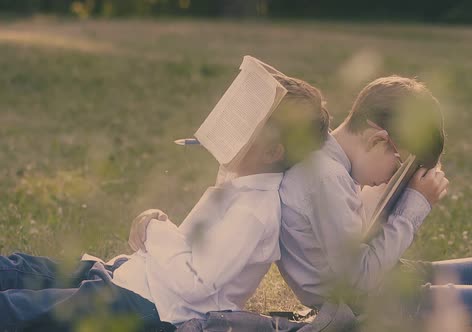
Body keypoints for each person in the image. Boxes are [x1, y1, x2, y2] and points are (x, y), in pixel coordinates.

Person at [0, 74, 330, 331]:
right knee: (16, 269)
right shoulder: (238, 185)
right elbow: (191, 251)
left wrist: (157, 230)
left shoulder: (254, 212)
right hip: (126, 278)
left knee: (16, 311)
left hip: (145, 306)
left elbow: (194, 282)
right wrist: (159, 224)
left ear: (272, 152)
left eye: (247, 126)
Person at [277, 75, 472, 326]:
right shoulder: (324, 178)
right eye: (400, 168)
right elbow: (359, 280)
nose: (390, 178)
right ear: (378, 139)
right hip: (377, 304)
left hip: (390, 279)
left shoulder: (332, 170)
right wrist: (414, 206)